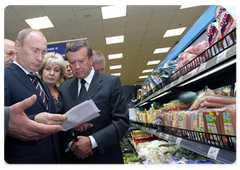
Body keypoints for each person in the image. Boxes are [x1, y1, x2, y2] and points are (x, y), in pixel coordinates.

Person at [1, 28, 68, 164]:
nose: (40, 58)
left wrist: (72, 123)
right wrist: (34, 120)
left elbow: (49, 119)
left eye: (43, 52)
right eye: (35, 50)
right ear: (18, 46)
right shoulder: (4, 75)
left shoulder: (42, 84)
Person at [56, 40, 130, 164]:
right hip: (73, 158)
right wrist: (72, 143)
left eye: (81, 61)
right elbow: (58, 123)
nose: (77, 66)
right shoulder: (64, 88)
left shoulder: (111, 83)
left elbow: (122, 121)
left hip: (106, 157)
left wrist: (92, 141)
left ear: (91, 60)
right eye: (72, 62)